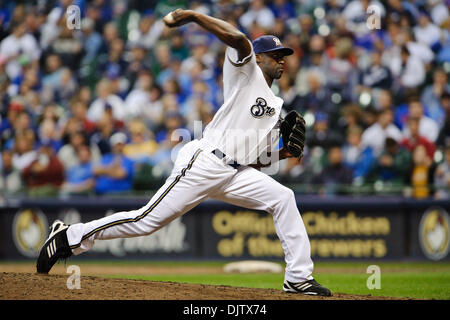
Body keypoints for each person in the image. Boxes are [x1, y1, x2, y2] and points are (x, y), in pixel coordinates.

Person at [36, 9, 331, 297]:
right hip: (205, 161)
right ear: (259, 57)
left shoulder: (276, 106)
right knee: (145, 221)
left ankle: (298, 278)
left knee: (283, 198)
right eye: (275, 55)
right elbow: (240, 39)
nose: (282, 60)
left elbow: (252, 158)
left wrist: (283, 153)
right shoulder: (245, 72)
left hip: (235, 172)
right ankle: (69, 236)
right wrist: (193, 16)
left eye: (284, 56)